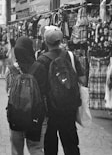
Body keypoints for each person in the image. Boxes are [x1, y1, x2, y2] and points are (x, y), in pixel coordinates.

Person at [37, 26, 86, 155]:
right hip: (69, 107)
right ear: (60, 41)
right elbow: (83, 79)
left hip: (50, 109)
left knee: (50, 144)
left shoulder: (42, 60)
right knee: (71, 144)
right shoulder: (70, 56)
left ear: (46, 41)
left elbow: (38, 87)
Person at [5, 36, 47, 155]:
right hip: (36, 115)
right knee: (36, 148)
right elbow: (44, 91)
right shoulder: (39, 67)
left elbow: (8, 91)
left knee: (16, 150)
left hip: (16, 115)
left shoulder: (12, 70)